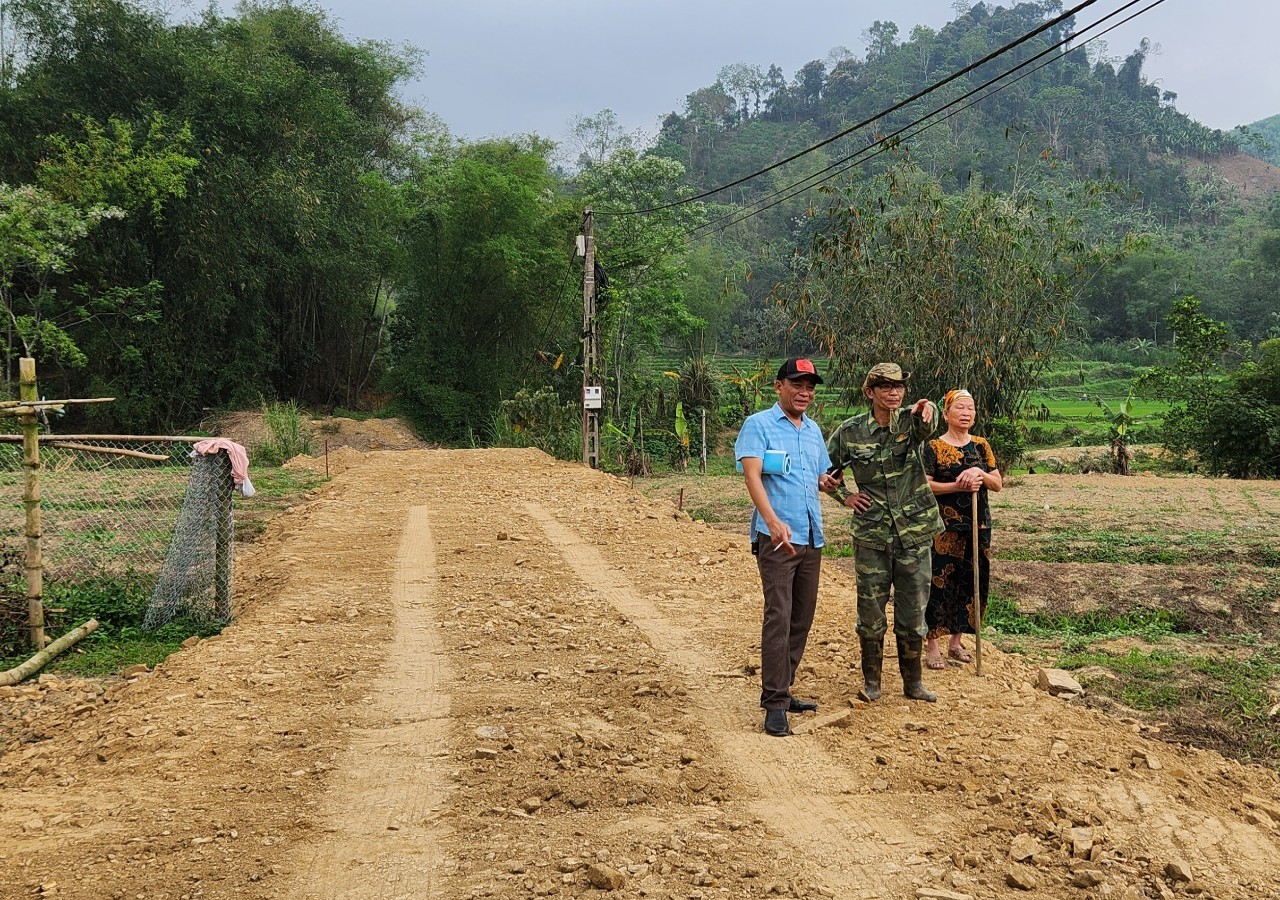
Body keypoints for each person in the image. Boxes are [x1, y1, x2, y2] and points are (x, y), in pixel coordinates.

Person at [735, 357, 842, 737]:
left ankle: (785, 683)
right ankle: (774, 703)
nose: (805, 392)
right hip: (778, 538)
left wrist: (826, 482)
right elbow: (752, 475)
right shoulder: (758, 425)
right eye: (797, 384)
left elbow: (818, 474)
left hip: (811, 536)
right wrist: (771, 520)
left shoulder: (813, 431)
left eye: (810, 386)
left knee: (802, 617)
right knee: (779, 615)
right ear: (779, 386)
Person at [826, 363, 941, 703]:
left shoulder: (910, 421)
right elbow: (825, 469)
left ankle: (913, 683)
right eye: (886, 387)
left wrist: (928, 408)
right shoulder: (849, 432)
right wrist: (843, 496)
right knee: (871, 613)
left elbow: (929, 426)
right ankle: (872, 682)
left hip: (914, 533)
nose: (895, 392)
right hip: (872, 535)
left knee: (913, 613)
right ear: (870, 392)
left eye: (899, 387)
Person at [922, 389, 1003, 669]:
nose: (966, 413)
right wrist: (956, 486)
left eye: (970, 408)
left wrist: (979, 473)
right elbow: (924, 485)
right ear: (946, 414)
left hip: (978, 526)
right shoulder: (932, 447)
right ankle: (932, 644)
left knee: (972, 582)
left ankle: (956, 642)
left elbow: (997, 482)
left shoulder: (981, 446)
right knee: (939, 582)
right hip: (944, 529)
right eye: (960, 408)